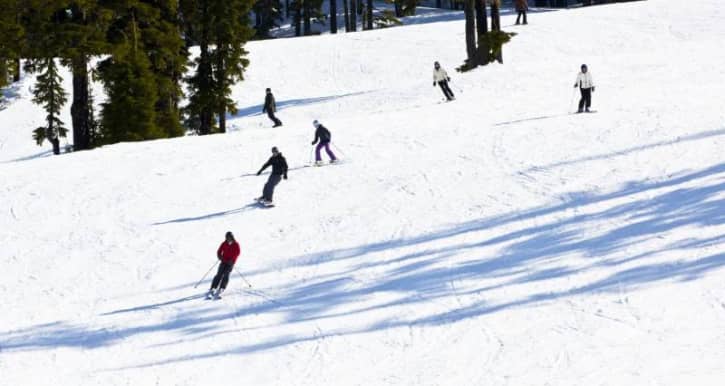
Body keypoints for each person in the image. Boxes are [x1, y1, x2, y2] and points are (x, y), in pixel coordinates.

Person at [207, 231, 241, 299]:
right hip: (223, 261)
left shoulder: (236, 244)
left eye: (229, 237)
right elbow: (219, 251)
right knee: (219, 274)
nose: (228, 239)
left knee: (226, 274)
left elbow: (237, 253)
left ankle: (222, 288)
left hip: (230, 263)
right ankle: (213, 288)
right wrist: (220, 256)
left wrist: (232, 261)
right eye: (227, 237)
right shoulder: (224, 243)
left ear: (232, 237)